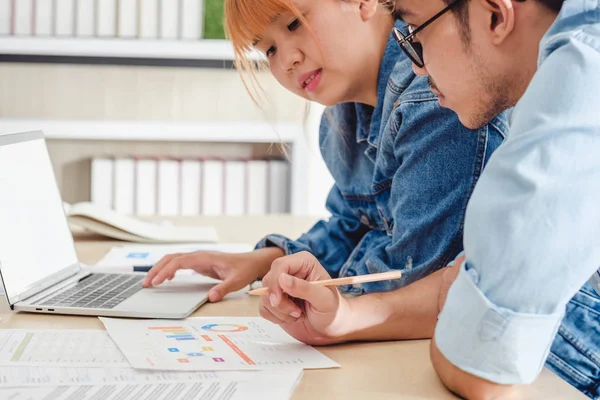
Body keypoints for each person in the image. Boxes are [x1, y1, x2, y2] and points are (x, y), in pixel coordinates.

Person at [260, 0, 600, 398]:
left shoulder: (580, 78)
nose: (416, 66)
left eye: (416, 31)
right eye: (267, 49)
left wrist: (460, 299)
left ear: (495, 14)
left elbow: (481, 369)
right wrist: (346, 314)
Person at [143, 0, 506, 315]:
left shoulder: (437, 98)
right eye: (268, 50)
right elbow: (357, 226)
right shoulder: (339, 120)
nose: (287, 60)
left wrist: (318, 294)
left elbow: (411, 276)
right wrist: (262, 261)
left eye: (295, 23)